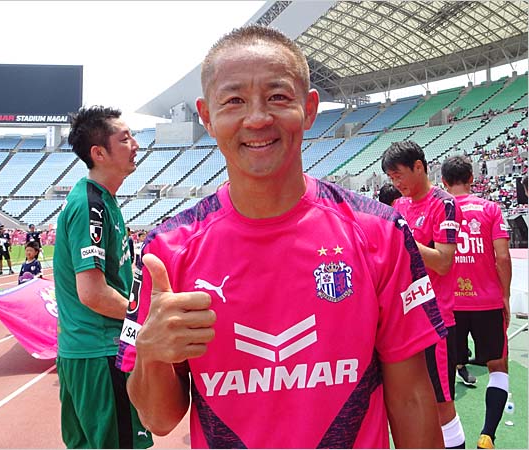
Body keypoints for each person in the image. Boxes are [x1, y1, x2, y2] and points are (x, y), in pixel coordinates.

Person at [119, 24, 445, 449]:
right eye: (234, 100)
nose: (257, 118)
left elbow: (412, 398)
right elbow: (159, 419)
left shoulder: (379, 233)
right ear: (207, 116)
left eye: (277, 97)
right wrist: (151, 354)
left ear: (308, 108)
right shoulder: (167, 251)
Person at [53, 106, 152, 449]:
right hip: (101, 352)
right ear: (99, 153)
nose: (136, 144)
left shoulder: (102, 201)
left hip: (89, 352)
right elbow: (93, 293)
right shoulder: (90, 205)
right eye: (125, 139)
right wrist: (146, 317)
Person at [381, 140, 465, 448]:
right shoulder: (400, 206)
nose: (396, 183)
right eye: (391, 178)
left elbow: (443, 262)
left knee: (442, 405)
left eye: (399, 175)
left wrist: (403, 239)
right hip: (406, 318)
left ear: (419, 167)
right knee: (413, 403)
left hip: (435, 319)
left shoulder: (443, 204)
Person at [441, 156, 512, 449]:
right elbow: (502, 257)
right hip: (488, 303)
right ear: (472, 177)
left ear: (444, 182)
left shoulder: (440, 210)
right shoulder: (491, 209)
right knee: (498, 367)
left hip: (450, 306)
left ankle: (452, 440)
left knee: (445, 376)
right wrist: (505, 295)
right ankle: (487, 435)